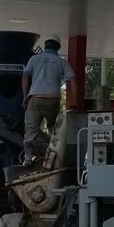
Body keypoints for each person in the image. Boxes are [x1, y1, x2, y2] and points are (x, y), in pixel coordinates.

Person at [21, 34, 78, 166]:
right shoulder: (62, 62)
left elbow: (25, 76)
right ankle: (55, 158)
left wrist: (25, 96)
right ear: (58, 48)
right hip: (52, 100)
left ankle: (28, 159)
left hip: (35, 98)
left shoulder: (34, 58)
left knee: (30, 133)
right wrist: (74, 102)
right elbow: (72, 81)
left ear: (45, 46)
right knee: (54, 130)